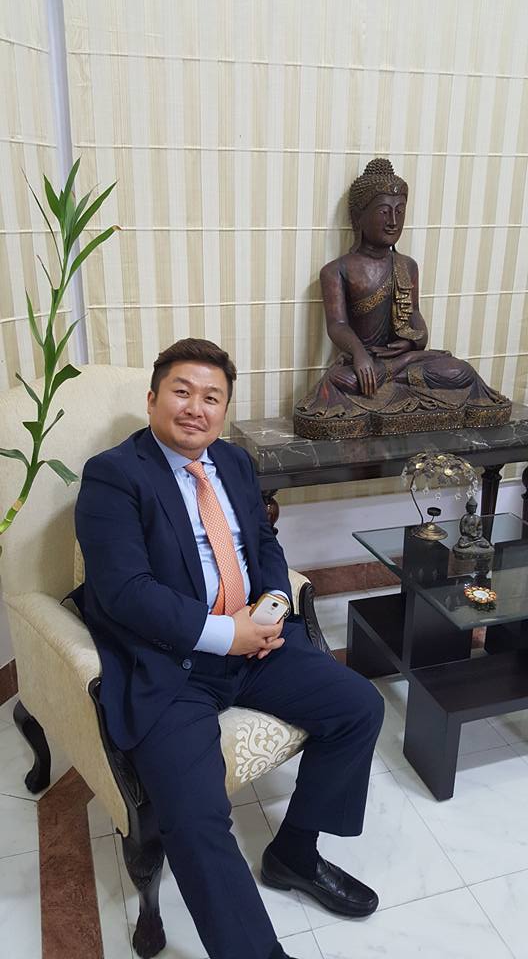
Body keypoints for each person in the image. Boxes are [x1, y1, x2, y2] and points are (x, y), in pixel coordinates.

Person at [73, 337, 384, 959]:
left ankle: (295, 853)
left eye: (211, 397)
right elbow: (125, 591)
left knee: (359, 707)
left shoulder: (235, 463)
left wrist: (273, 608)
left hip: (255, 645)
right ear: (153, 399)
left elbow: (263, 547)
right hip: (170, 664)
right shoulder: (114, 475)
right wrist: (225, 633)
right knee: (194, 816)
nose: (196, 408)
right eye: (182, 392)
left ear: (224, 409)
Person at [294, 158, 511, 438]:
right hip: (365, 363)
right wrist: (359, 354)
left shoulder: (407, 266)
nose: (393, 221)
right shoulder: (337, 270)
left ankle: (396, 372)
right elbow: (337, 325)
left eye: (400, 211)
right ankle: (391, 375)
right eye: (384, 212)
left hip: (402, 362)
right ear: (359, 217)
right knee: (340, 380)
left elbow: (414, 316)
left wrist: (412, 343)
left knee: (462, 372)